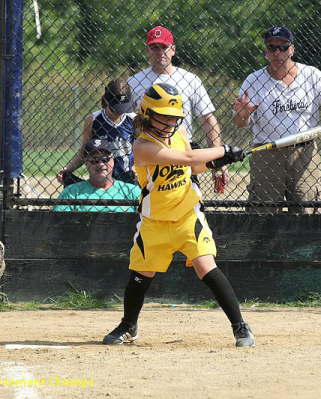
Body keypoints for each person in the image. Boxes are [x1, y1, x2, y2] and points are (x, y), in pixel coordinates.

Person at [102, 83, 254, 348]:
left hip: (187, 216)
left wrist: (220, 160)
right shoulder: (142, 146)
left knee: (206, 266)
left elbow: (194, 165)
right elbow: (184, 157)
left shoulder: (180, 132)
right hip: (155, 221)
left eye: (174, 116)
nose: (171, 121)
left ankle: (240, 327)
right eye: (163, 116)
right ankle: (129, 325)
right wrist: (223, 150)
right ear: (147, 114)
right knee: (141, 273)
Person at [232, 25, 321, 214]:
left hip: (304, 151)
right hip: (267, 151)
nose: (277, 52)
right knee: (263, 213)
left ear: (292, 49)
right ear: (266, 51)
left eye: (282, 47)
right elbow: (240, 123)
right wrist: (242, 114)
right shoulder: (254, 80)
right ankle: (263, 245)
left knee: (305, 211)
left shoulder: (312, 75)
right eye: (272, 47)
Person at [127, 26, 229, 191]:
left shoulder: (190, 79)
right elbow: (126, 120)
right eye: (154, 47)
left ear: (173, 50)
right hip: (151, 150)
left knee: (188, 196)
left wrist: (215, 155)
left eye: (164, 47)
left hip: (184, 148)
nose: (159, 52)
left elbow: (207, 119)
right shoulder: (134, 81)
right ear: (147, 51)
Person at [56, 79, 137, 187]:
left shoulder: (132, 119)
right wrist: (68, 169)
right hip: (102, 179)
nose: (120, 111)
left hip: (128, 178)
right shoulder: (94, 120)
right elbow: (84, 152)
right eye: (116, 107)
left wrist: (137, 168)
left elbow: (142, 149)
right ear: (107, 101)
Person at [54, 138, 141, 212]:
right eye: (95, 160)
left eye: (105, 159)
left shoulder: (132, 192)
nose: (101, 164)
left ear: (113, 161)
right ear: (86, 163)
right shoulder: (71, 193)